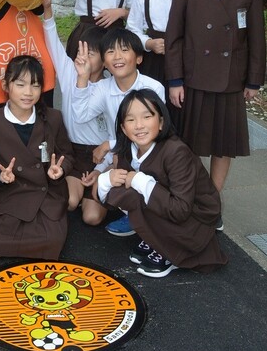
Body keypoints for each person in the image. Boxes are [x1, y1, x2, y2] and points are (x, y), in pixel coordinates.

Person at [165, 0, 266, 223]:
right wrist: (175, 80)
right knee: (192, 144)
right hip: (195, 77)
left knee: (224, 145)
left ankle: (212, 202)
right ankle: (192, 195)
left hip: (230, 78)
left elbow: (258, 37)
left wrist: (253, 81)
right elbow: (174, 35)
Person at [92, 89, 227, 278]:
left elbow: (181, 209)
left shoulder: (176, 152)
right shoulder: (127, 150)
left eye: (147, 117)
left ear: (161, 122)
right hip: (169, 209)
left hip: (195, 220)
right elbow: (110, 199)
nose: (139, 125)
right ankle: (155, 238)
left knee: (135, 188)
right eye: (130, 120)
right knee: (123, 190)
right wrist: (106, 179)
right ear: (123, 128)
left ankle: (170, 250)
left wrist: (140, 180)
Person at [0, 55, 74, 260]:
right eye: (20, 84)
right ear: (6, 85)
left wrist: (60, 171)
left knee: (51, 245)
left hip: (44, 195)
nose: (28, 93)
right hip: (7, 195)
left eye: (35, 86)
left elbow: (67, 155)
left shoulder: (53, 118)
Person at [72, 27, 165, 237]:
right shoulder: (104, 87)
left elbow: (152, 136)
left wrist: (110, 145)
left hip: (149, 154)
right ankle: (129, 208)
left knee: (121, 159)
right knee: (92, 213)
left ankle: (141, 215)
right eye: (111, 52)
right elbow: (80, 116)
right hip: (120, 154)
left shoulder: (153, 88)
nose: (118, 57)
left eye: (124, 50)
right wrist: (83, 77)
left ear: (139, 58)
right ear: (105, 62)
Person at [39, 0, 109, 225]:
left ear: (106, 58)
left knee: (92, 218)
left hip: (101, 157)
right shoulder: (70, 73)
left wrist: (104, 167)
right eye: (82, 51)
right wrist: (47, 10)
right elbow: (53, 43)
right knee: (68, 203)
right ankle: (79, 192)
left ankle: (101, 195)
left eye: (91, 53)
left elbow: (115, 134)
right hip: (72, 152)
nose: (84, 58)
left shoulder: (111, 87)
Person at [127, 0, 192, 130]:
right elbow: (132, 30)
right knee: (153, 115)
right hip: (154, 64)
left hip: (188, 64)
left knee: (185, 119)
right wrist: (148, 43)